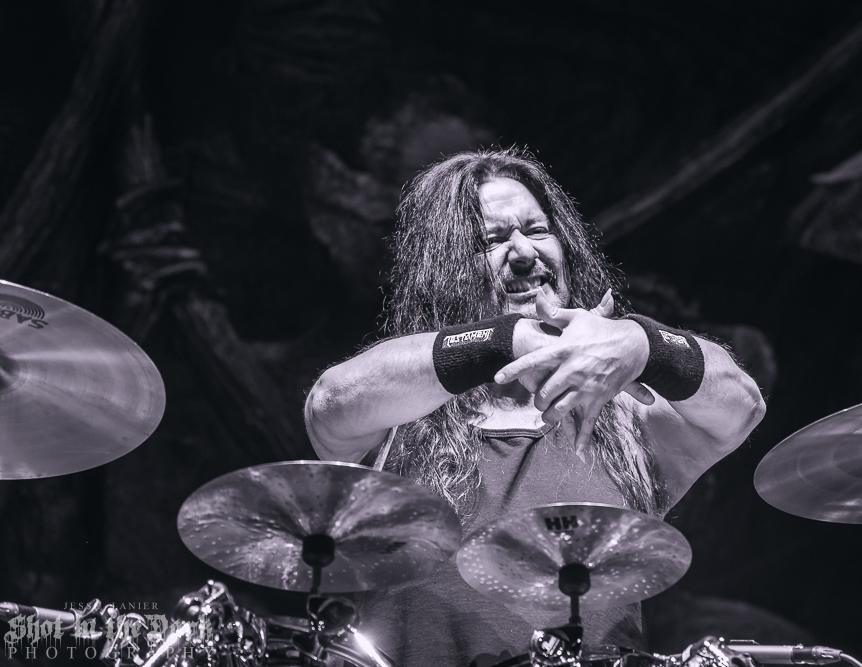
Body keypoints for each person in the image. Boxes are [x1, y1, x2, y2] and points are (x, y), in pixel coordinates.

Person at [304, 148, 765, 667]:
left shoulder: (626, 414)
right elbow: (330, 403)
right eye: (493, 240)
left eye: (538, 230)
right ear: (445, 269)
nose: (524, 253)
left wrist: (642, 343)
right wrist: (509, 339)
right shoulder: (402, 411)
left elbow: (742, 407)